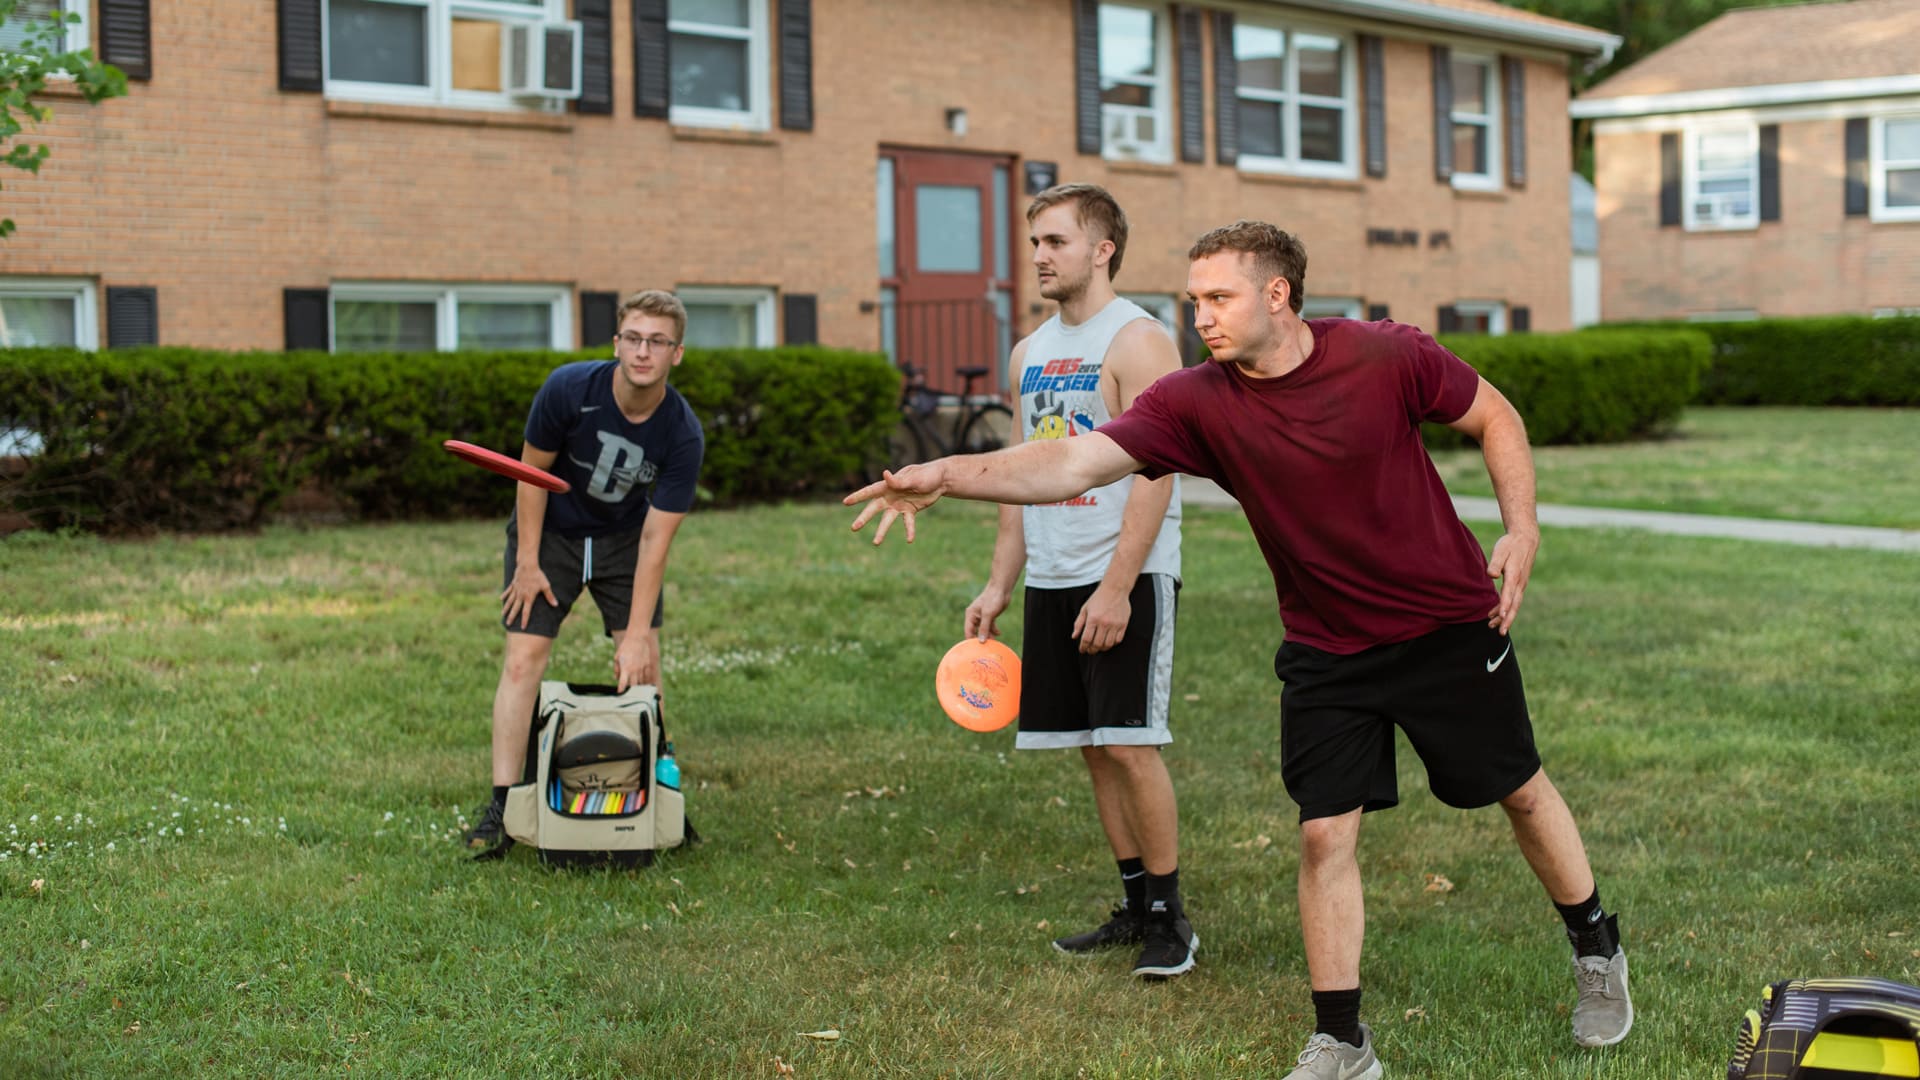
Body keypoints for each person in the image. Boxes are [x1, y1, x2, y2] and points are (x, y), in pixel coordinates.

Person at [847, 222, 1632, 1076]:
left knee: (1518, 792)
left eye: (1218, 299)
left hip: (1445, 624)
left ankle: (1597, 946)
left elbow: (1494, 414)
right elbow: (1072, 463)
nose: (1202, 319)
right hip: (1327, 648)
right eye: (1194, 302)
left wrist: (1521, 528)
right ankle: (1342, 1040)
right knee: (1325, 837)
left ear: (1277, 295)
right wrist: (946, 473)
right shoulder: (1197, 401)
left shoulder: (1384, 355)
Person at [961, 183, 1193, 979]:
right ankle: (1132, 905)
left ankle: (1170, 918)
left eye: (1055, 241)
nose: (1038, 257)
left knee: (1129, 744)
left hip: (1121, 571)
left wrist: (1119, 585)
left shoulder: (1140, 341)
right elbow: (1020, 480)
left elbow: (1159, 473)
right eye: (1034, 243)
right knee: (1092, 748)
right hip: (1053, 575)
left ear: (1102, 249)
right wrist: (999, 586)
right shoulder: (1029, 353)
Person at [464, 289, 705, 852]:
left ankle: (659, 794)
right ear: (617, 341)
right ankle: (504, 804)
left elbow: (656, 537)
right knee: (523, 659)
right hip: (551, 535)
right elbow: (531, 474)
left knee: (644, 669)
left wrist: (639, 634)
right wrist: (527, 562)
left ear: (677, 354)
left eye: (658, 342)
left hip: (625, 540)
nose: (644, 351)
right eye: (634, 338)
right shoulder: (568, 389)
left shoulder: (682, 432)